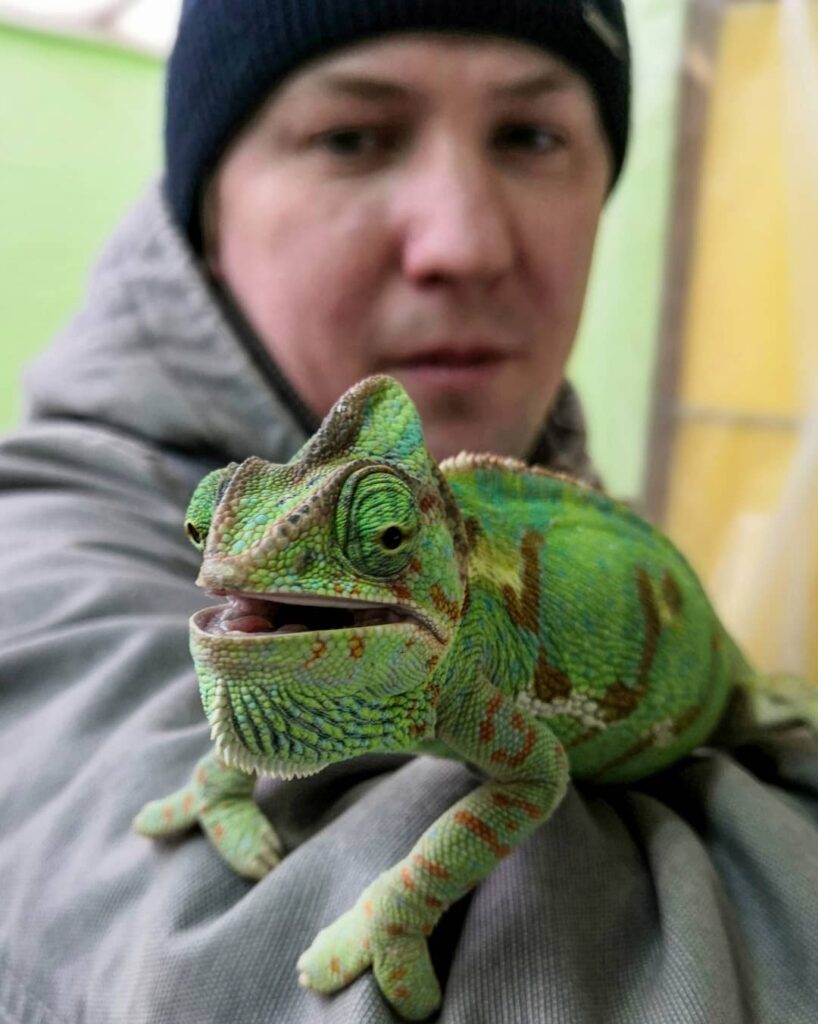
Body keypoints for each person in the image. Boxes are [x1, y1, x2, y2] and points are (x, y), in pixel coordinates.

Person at [0, 2, 815, 1022]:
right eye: (350, 136)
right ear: (199, 215)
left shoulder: (464, 614)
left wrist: (400, 891)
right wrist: (234, 780)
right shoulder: (36, 547)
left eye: (529, 135)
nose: (462, 243)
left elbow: (508, 761)